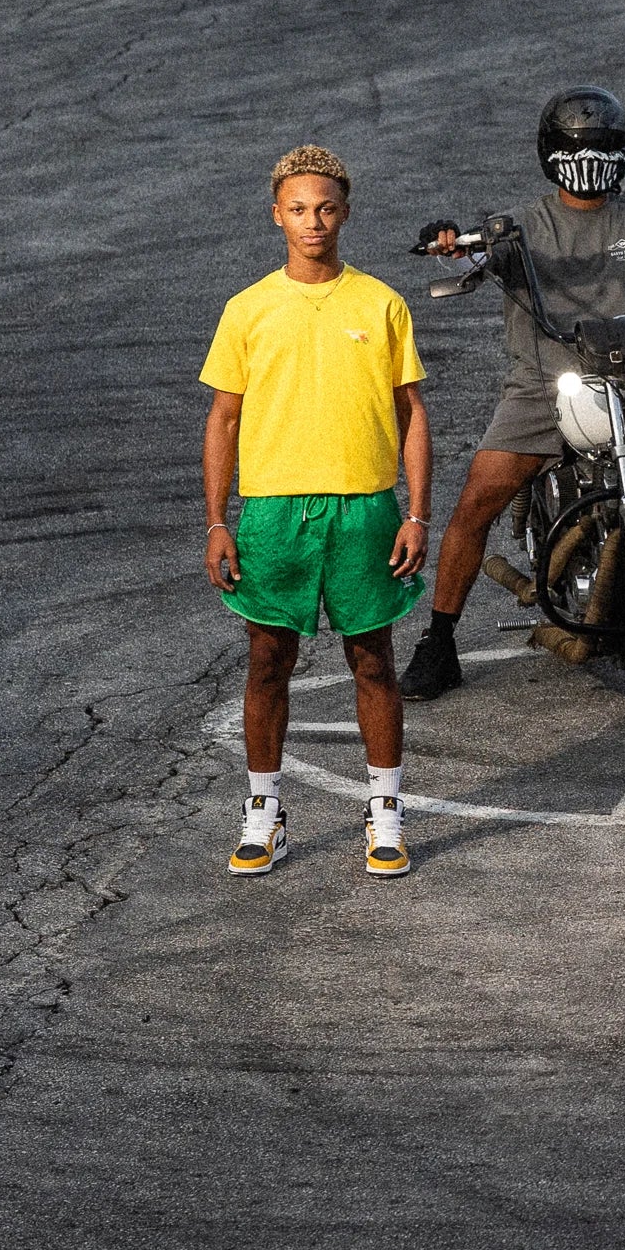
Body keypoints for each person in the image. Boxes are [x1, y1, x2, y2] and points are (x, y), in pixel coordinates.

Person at [397, 86, 625, 700]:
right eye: (577, 148)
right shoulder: (521, 225)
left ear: (621, 154)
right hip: (544, 385)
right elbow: (476, 255)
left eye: (601, 148)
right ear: (552, 154)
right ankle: (439, 640)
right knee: (477, 500)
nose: (588, 160)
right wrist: (452, 243)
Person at [199, 144, 434, 879]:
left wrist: (417, 514)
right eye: (298, 209)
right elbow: (223, 419)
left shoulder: (381, 303)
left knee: (374, 659)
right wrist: (217, 521)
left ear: (345, 214)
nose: (313, 222)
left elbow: (411, 413)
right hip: (273, 513)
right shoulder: (247, 309)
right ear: (277, 215)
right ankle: (264, 812)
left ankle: (385, 812)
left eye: (326, 209)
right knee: (268, 660)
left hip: (365, 508)